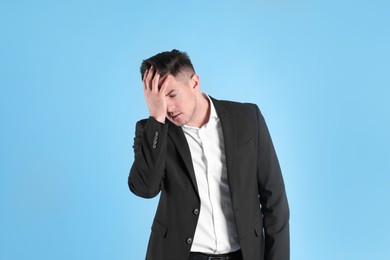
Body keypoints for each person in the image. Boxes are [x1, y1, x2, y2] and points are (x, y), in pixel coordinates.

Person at [128, 49, 289, 260]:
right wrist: (156, 119)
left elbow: (274, 200)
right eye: (158, 99)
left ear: (194, 83)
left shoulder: (247, 119)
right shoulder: (153, 132)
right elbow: (145, 189)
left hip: (244, 254)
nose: (167, 107)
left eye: (172, 94)